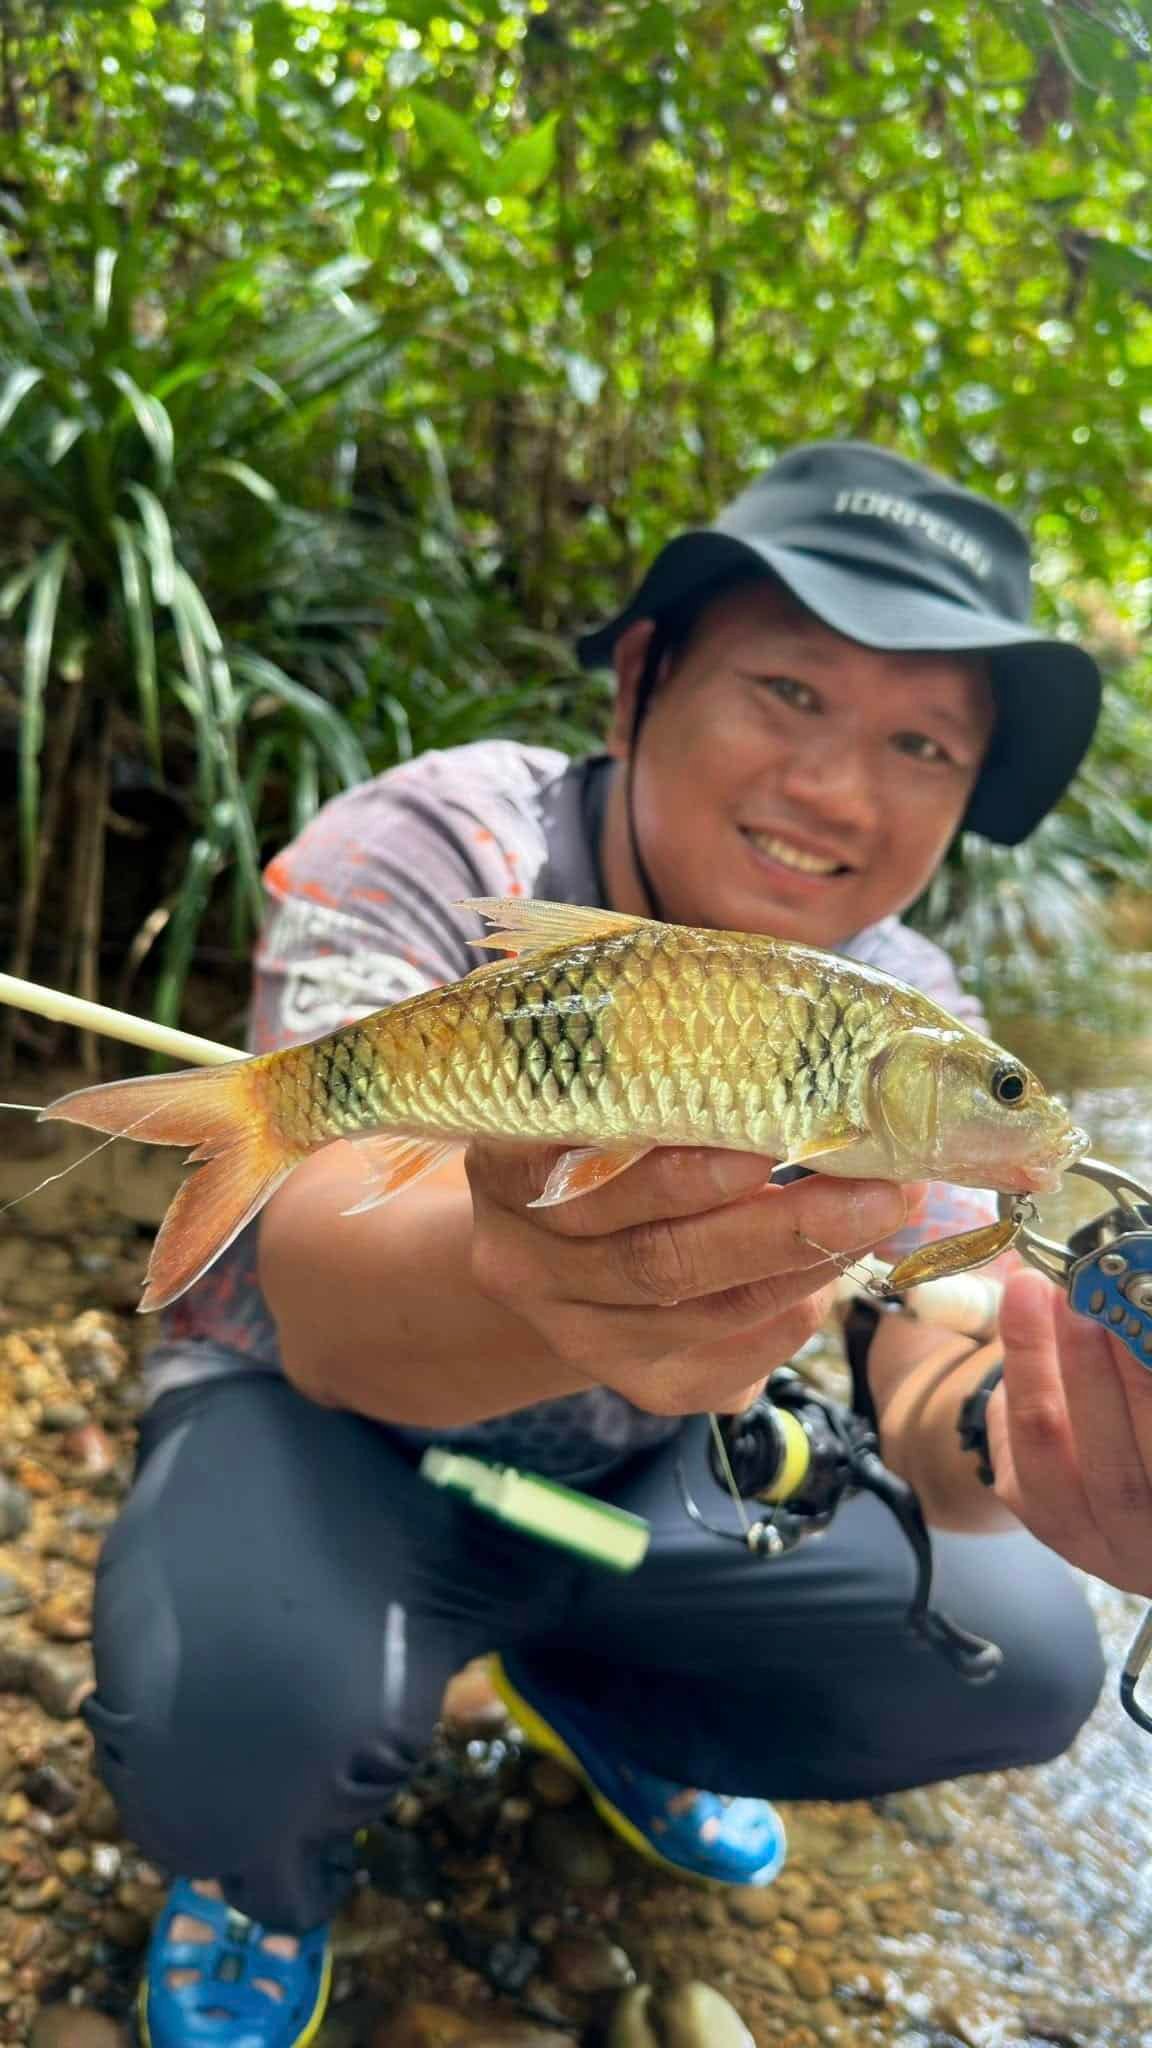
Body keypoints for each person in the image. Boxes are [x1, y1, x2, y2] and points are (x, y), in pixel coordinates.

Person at [87, 441, 1114, 2048]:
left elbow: (928, 1360)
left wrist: (1039, 1432)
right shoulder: (436, 841)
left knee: (1026, 1646)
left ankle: (609, 1705)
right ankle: (261, 1873)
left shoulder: (904, 1003)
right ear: (640, 682)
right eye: (790, 690)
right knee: (226, 1730)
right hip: (330, 1428)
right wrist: (531, 1269)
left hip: (641, 1475)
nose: (838, 791)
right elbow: (326, 1282)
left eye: (921, 741)